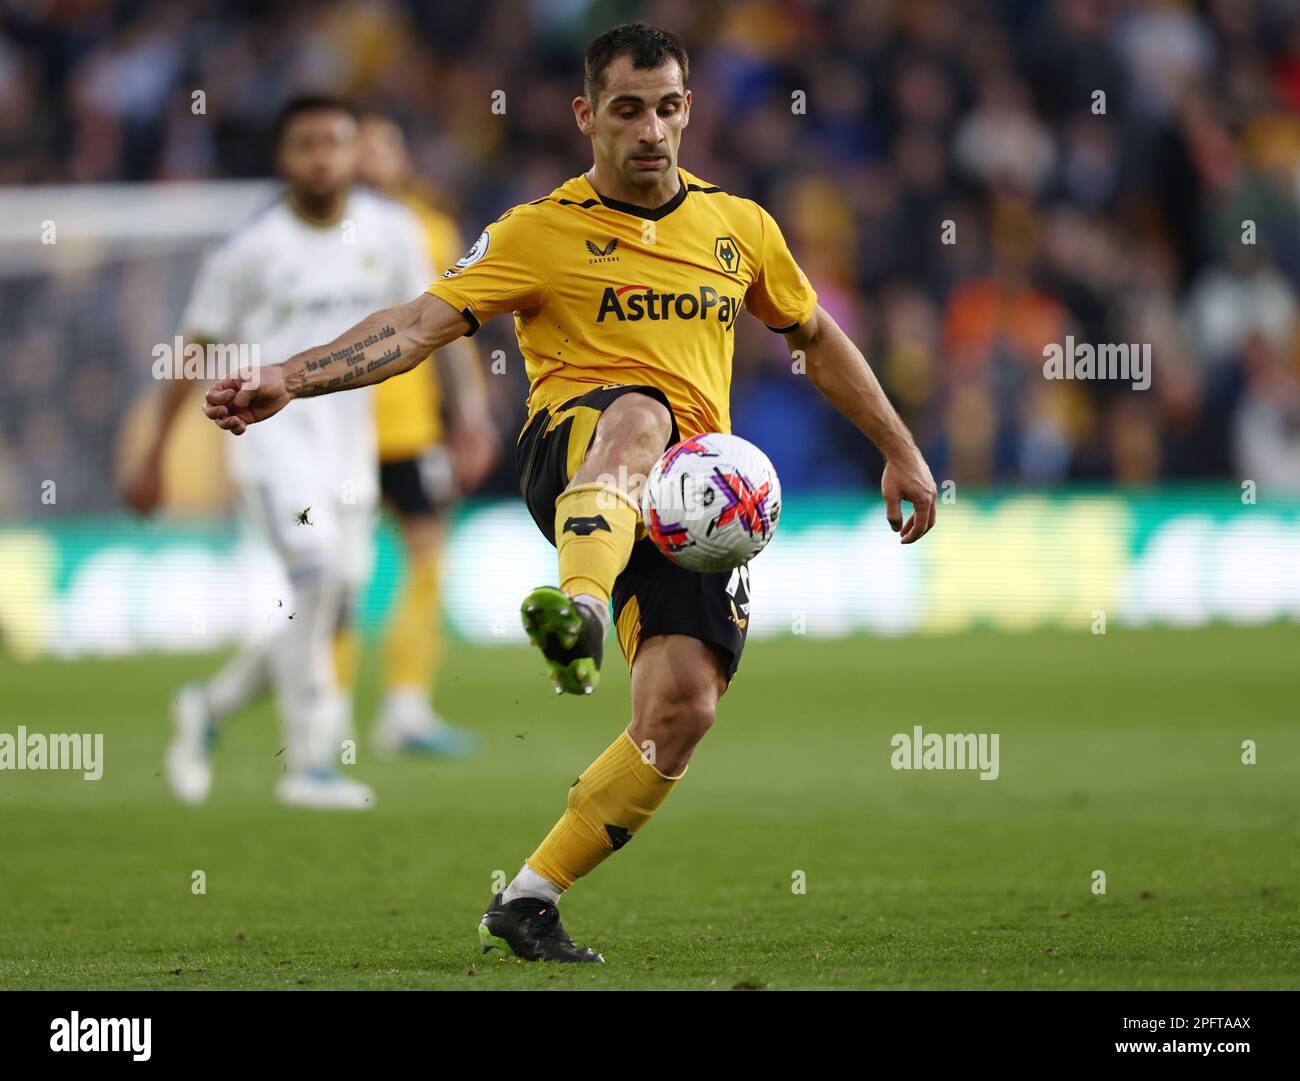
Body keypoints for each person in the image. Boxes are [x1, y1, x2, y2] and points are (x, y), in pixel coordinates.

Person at [202, 25, 937, 955]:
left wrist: (900, 449)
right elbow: (419, 324)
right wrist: (291, 376)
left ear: (688, 110)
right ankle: (579, 608)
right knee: (638, 412)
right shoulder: (538, 232)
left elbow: (815, 337)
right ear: (588, 115)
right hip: (574, 448)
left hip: (688, 503)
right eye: (628, 110)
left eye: (668, 108)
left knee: (682, 711)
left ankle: (530, 896)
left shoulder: (740, 226)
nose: (651, 130)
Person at [127, 95, 434, 809]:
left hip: (348, 448)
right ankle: (310, 763)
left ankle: (208, 704)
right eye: (306, 144)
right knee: (319, 575)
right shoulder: (250, 249)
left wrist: (468, 410)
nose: (322, 157)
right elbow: (194, 347)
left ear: (357, 151)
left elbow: (426, 322)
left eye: (336, 142)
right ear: (283, 157)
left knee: (332, 599)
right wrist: (152, 455)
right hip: (271, 444)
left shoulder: (392, 230)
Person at [355, 114, 499, 756]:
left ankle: (405, 710)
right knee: (335, 576)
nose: (369, 158)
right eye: (357, 146)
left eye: (383, 143)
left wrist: (469, 412)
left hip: (409, 430)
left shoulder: (428, 229)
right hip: (330, 435)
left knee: (427, 560)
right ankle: (325, 715)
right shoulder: (310, 236)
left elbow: (452, 332)